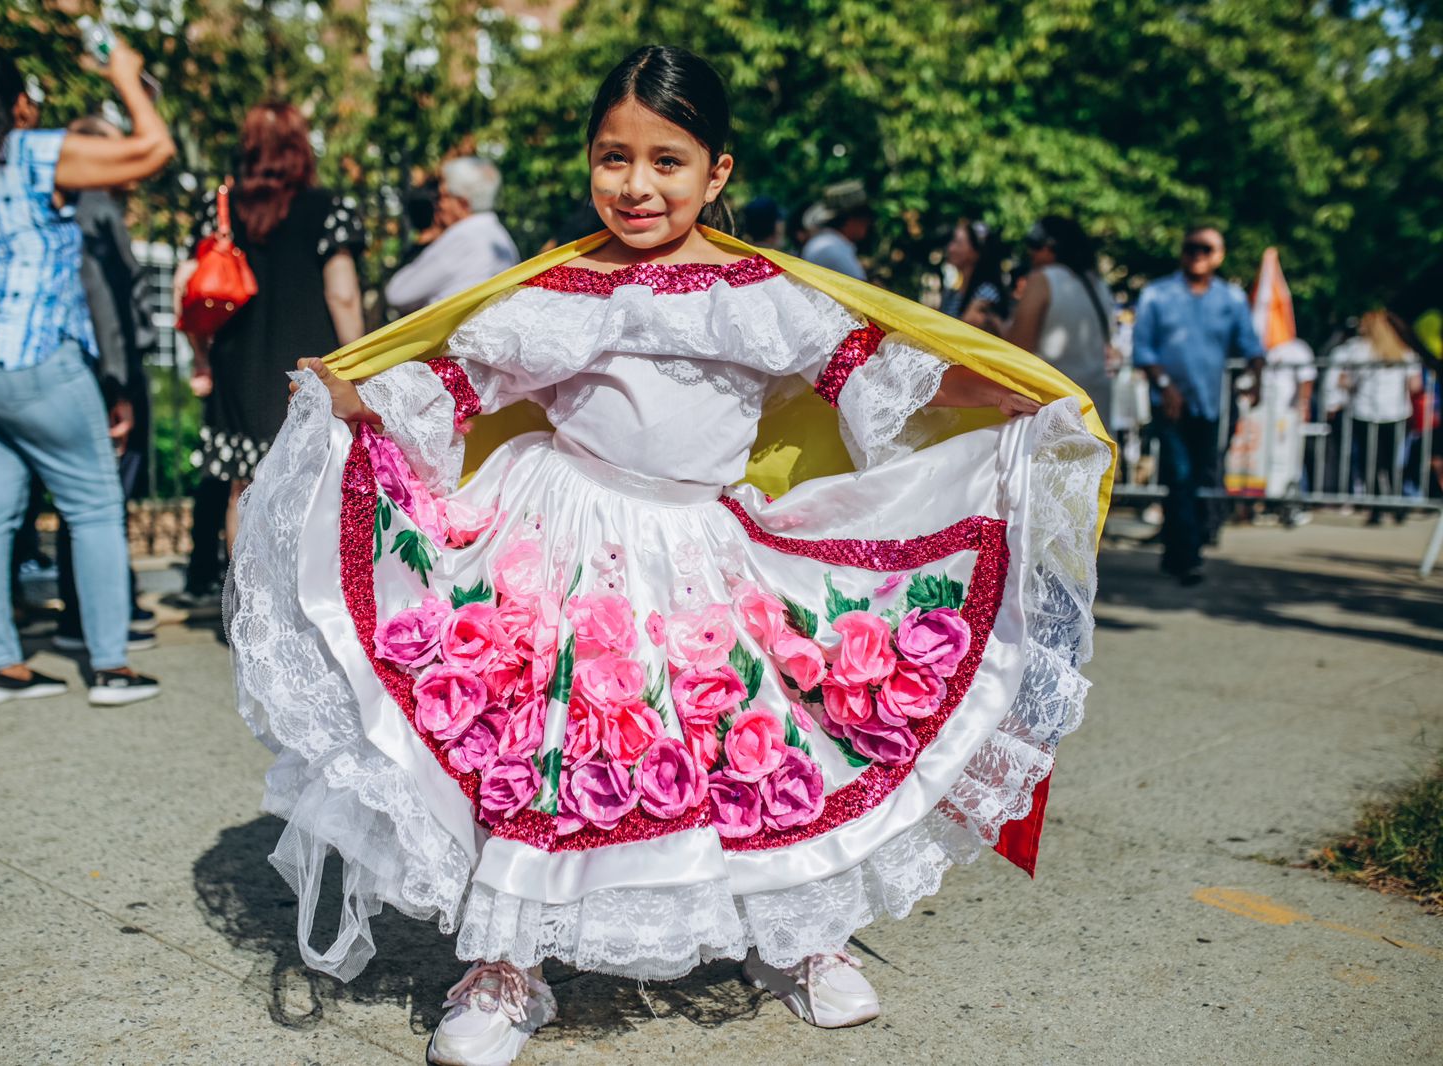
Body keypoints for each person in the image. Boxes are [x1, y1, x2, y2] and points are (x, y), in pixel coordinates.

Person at [230, 45, 1111, 1066]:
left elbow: (878, 371)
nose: (636, 185)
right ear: (588, 160)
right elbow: (452, 387)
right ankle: (509, 966)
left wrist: (1000, 399)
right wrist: (351, 396)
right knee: (546, 752)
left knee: (749, 745)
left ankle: (794, 939)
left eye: (666, 160)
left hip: (701, 550)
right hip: (558, 540)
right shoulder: (555, 291)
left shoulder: (761, 293)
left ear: (716, 172)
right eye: (613, 157)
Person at [0, 48, 170, 706]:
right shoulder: (32, 154)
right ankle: (111, 666)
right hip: (31, 361)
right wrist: (125, 80)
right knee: (95, 505)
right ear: (14, 104)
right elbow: (153, 149)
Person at [180, 101, 367, 553]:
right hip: (310, 371)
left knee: (242, 490)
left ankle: (247, 611)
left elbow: (187, 289)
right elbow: (342, 294)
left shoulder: (219, 209)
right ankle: (305, 608)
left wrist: (202, 358)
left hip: (237, 371)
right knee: (313, 487)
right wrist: (362, 364)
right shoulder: (330, 209)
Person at [53, 114, 160, 652]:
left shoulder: (71, 208)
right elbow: (105, 308)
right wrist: (119, 386)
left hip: (91, 369)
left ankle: (92, 606)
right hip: (110, 373)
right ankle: (91, 615)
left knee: (91, 494)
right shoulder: (96, 212)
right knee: (103, 495)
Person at [1132, 224, 1264, 584]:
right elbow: (1142, 349)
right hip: (1170, 402)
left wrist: (1256, 377)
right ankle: (1188, 555)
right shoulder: (1157, 294)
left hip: (1211, 402)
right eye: (1191, 247)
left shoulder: (1231, 298)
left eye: (1206, 249)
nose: (1197, 255)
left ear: (1219, 255)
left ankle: (1178, 550)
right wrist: (1165, 384)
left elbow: (1251, 345)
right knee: (1180, 473)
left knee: (1200, 474)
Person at [1005, 216, 1115, 420]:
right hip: (1096, 405)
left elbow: (1017, 349)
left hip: (1056, 405)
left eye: (1034, 246)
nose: (1031, 254)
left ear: (1048, 247)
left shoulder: (1043, 279)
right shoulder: (1097, 284)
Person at [384, 157, 519, 313]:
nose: (438, 205)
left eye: (443, 196)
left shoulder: (464, 237)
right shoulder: (500, 237)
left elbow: (398, 294)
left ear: (463, 203)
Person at [1328, 310, 1423, 519]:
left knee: (1369, 462)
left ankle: (1376, 507)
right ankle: (1397, 504)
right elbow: (1415, 385)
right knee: (1391, 462)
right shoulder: (1402, 351)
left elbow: (1346, 381)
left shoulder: (1360, 351)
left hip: (1366, 412)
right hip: (1395, 412)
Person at [939, 217, 1007, 334]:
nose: (950, 248)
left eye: (957, 242)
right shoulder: (955, 291)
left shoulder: (986, 294)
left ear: (975, 252)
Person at [800, 201, 869, 280]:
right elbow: (859, 287)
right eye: (863, 220)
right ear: (849, 221)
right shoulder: (833, 249)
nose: (867, 225)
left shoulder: (823, 241)